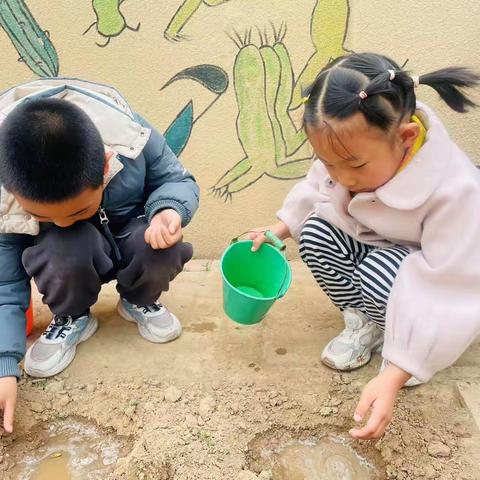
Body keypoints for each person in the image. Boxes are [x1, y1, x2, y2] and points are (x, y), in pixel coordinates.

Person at [249, 53, 480, 440]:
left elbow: (449, 284)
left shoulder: (455, 190)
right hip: (384, 250)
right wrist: (277, 229)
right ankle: (368, 324)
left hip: (435, 277)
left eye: (354, 167)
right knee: (316, 231)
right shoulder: (345, 150)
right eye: (328, 162)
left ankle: (402, 347)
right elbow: (314, 189)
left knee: (377, 272)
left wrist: (394, 374)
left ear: (405, 138)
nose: (340, 177)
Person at [0, 78, 199, 432]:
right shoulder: (7, 190)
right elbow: (4, 285)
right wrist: (4, 364)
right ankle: (73, 316)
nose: (59, 221)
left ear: (106, 167)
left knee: (158, 246)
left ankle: (138, 300)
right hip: (70, 258)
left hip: (128, 232)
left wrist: (168, 210)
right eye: (42, 217)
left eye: (76, 211)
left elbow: (176, 179)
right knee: (64, 245)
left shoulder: (133, 137)